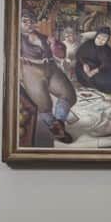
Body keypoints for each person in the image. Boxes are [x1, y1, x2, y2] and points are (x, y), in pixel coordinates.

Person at [20, 9, 77, 144]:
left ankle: (59, 123)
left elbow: (61, 54)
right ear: (19, 24)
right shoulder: (17, 39)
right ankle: (56, 130)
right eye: (24, 22)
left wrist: (54, 44)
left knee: (69, 95)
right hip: (32, 71)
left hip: (51, 68)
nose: (28, 24)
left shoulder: (44, 37)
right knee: (44, 105)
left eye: (31, 22)